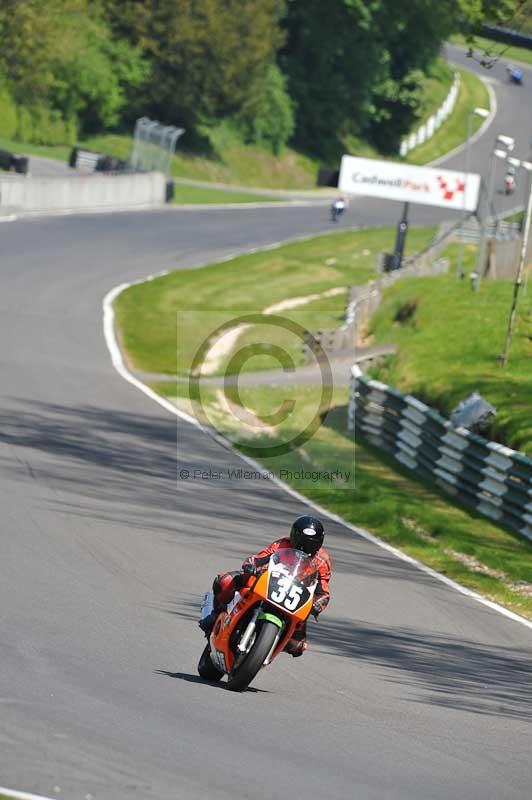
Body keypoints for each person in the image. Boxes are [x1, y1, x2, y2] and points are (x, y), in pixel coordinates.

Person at [200, 514, 331, 657]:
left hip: (294, 597)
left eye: (310, 543)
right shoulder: (282, 544)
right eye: (302, 540)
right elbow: (259, 558)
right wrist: (252, 565)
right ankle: (215, 615)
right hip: (267, 581)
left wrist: (317, 604)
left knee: (297, 645)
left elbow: (323, 590)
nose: (304, 546)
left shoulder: (322, 561)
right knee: (224, 581)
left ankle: (265, 648)